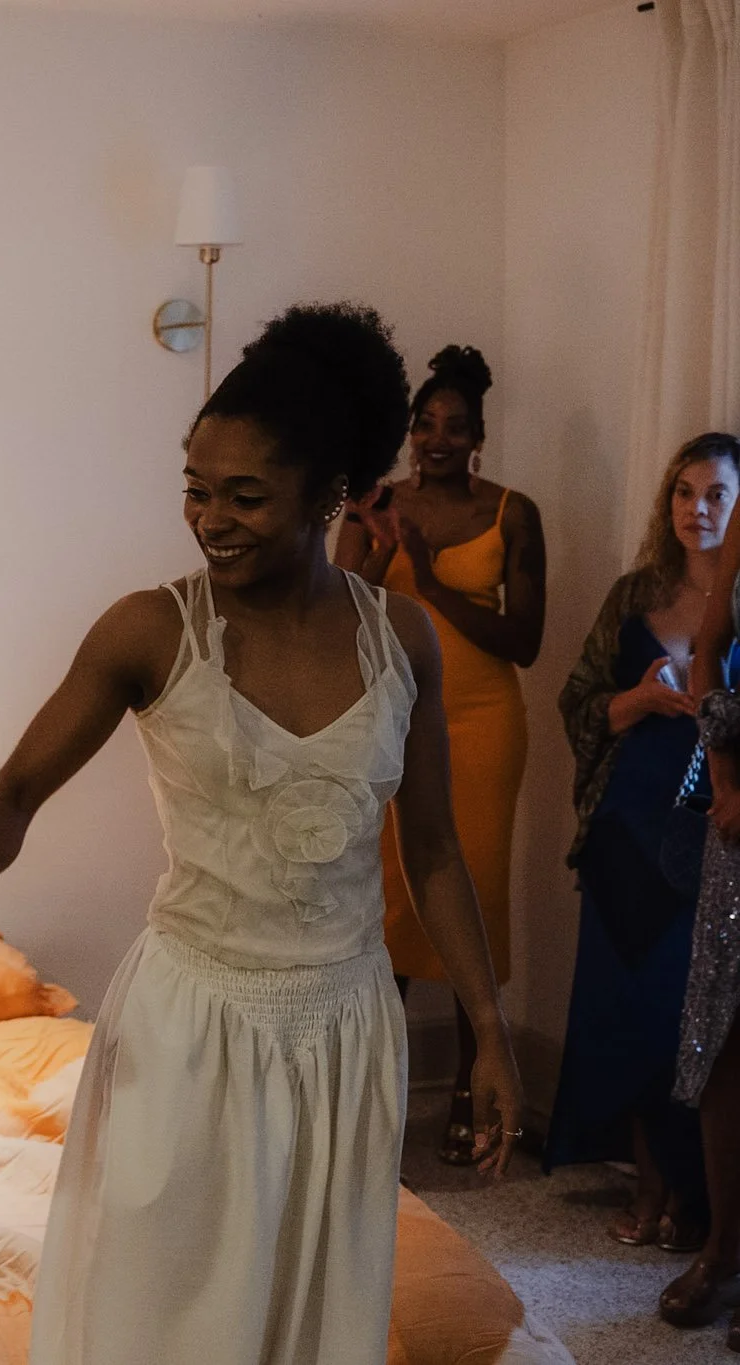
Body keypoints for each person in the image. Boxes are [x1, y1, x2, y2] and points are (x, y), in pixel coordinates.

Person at [0, 305, 522, 1365]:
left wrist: (488, 1032)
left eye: (244, 495)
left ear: (329, 494)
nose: (209, 519)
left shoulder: (400, 636)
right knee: (162, 1316)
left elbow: (435, 851)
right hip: (192, 1025)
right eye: (194, 487)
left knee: (310, 1314)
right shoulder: (149, 630)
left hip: (345, 1027)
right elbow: (15, 792)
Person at [336, 344, 545, 1165]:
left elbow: (523, 639)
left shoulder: (513, 512)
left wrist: (429, 574)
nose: (438, 439)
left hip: (486, 722)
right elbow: (338, 607)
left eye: (456, 427)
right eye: (426, 424)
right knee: (389, 902)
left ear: (480, 437)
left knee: (474, 895)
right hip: (396, 718)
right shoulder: (376, 503)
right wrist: (384, 548)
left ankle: (471, 1084)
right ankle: (375, 1090)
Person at [549, 433, 740, 1254]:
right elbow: (578, 703)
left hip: (711, 839)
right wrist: (638, 699)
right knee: (621, 1011)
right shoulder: (634, 595)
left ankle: (697, 1196)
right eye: (683, 492)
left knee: (683, 1018)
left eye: (717, 494)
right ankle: (650, 1185)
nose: (698, 509)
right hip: (623, 826)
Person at [662, 455, 740, 1341]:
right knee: (722, 1035)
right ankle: (724, 1246)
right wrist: (723, 770)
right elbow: (713, 643)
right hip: (736, 809)